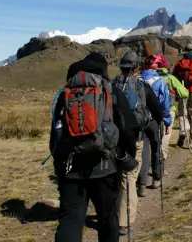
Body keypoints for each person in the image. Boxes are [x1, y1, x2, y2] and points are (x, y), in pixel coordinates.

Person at [50, 52, 139, 242]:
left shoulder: (65, 93)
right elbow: (128, 128)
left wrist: (59, 164)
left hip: (71, 166)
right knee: (107, 217)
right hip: (104, 166)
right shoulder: (111, 90)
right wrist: (127, 155)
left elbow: (55, 133)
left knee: (70, 219)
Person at [112, 52, 164, 233]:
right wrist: (159, 121)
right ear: (136, 68)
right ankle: (124, 221)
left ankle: (113, 212)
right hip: (135, 138)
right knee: (129, 177)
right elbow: (157, 109)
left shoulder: (111, 85)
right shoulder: (142, 86)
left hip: (113, 139)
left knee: (116, 176)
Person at [137, 55, 172, 193]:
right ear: (156, 66)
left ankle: (142, 184)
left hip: (140, 120)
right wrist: (167, 121)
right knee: (156, 148)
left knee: (143, 151)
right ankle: (157, 178)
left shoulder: (138, 80)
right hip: (154, 120)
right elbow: (165, 103)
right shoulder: (160, 81)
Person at [154, 55, 189, 160]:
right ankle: (162, 156)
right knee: (166, 133)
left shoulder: (152, 77)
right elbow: (184, 94)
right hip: (169, 109)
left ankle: (154, 155)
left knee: (155, 132)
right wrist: (184, 90)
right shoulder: (171, 78)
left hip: (153, 110)